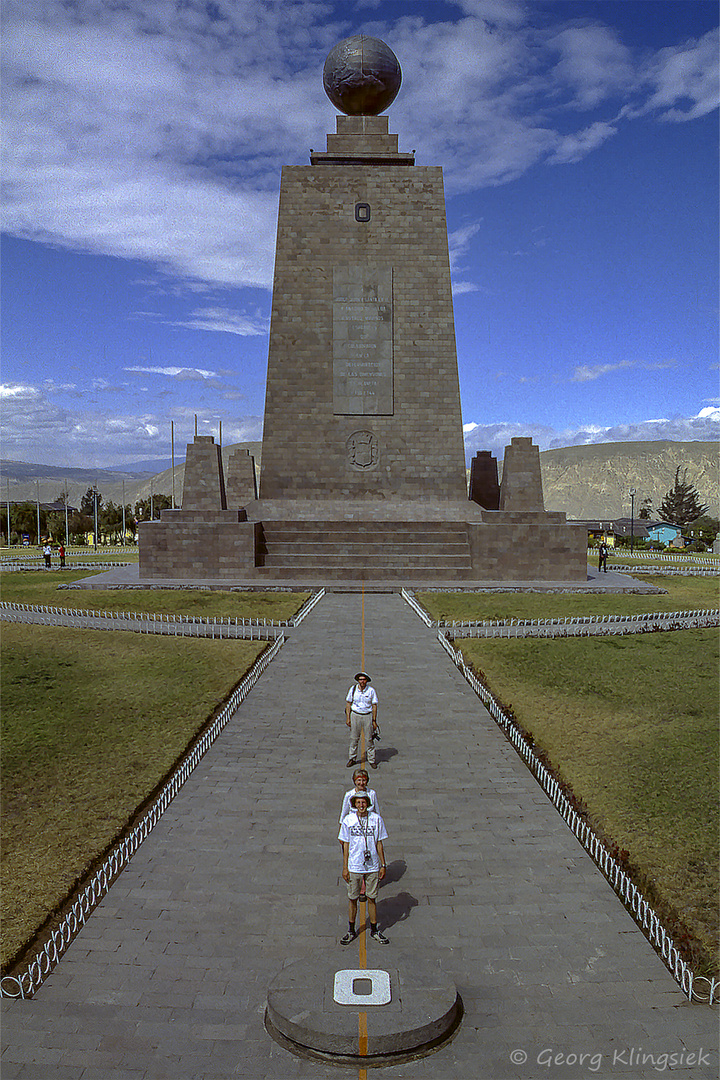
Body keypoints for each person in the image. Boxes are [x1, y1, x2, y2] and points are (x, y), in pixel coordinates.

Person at [339, 791, 389, 945]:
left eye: (364, 802)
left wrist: (383, 864)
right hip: (354, 865)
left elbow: (379, 843)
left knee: (372, 898)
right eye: (358, 803)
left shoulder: (376, 819)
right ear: (354, 804)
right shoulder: (349, 820)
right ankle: (351, 930)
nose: (361, 806)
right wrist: (345, 866)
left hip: (372, 865)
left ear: (368, 803)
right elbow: (345, 845)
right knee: (352, 899)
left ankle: (374, 929)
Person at [345, 671, 379, 769]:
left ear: (367, 681)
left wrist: (374, 720)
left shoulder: (371, 691)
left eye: (364, 679)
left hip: (367, 716)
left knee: (369, 739)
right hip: (355, 715)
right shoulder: (353, 689)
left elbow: (374, 706)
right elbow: (348, 703)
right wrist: (348, 718)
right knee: (354, 738)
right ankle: (352, 758)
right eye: (360, 679)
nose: (362, 681)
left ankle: (371, 760)